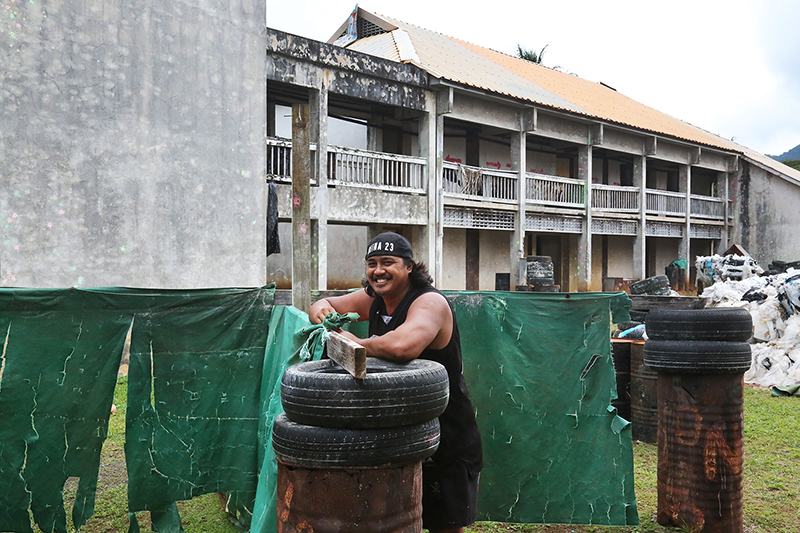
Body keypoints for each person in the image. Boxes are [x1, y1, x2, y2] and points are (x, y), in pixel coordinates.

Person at [309, 231, 483, 533]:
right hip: (398, 434)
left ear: (409, 267)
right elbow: (321, 304)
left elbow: (404, 346)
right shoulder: (374, 299)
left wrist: (357, 341)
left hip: (446, 435)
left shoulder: (429, 302)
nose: (378, 271)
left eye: (388, 262)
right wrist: (323, 315)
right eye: (372, 263)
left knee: (444, 526)